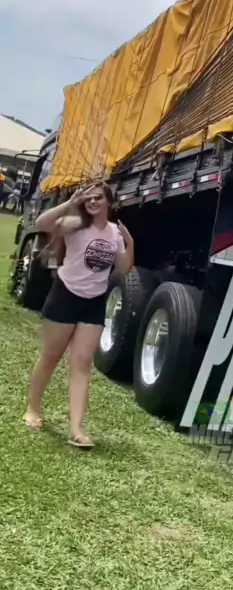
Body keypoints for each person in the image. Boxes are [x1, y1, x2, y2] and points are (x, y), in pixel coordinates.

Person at [24, 181, 134, 448]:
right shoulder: (75, 224)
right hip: (65, 296)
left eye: (98, 198)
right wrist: (70, 203)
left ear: (109, 201)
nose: (92, 202)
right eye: (89, 198)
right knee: (50, 357)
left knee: (82, 364)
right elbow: (41, 223)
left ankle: (76, 429)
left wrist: (129, 243)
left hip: (94, 302)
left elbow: (123, 268)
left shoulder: (114, 233)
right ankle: (33, 408)